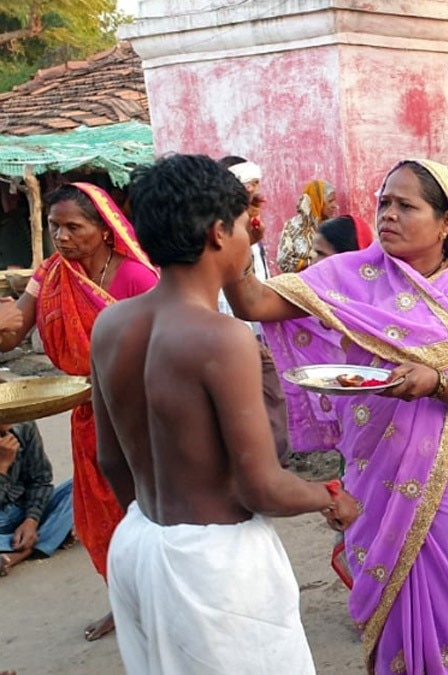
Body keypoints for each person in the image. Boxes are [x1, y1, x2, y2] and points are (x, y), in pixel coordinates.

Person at [224, 157, 448, 674]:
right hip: (372, 468)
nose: (389, 215)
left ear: (447, 222)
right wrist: (241, 236)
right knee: (388, 607)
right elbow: (251, 302)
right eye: (384, 202)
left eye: (407, 205)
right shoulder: (350, 275)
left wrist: (438, 383)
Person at [90, 154, 358, 674]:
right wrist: (330, 497)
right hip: (214, 565)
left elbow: (111, 459)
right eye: (242, 225)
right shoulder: (221, 337)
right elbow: (261, 487)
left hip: (139, 541)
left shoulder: (111, 325)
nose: (247, 237)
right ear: (218, 232)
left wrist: (159, 526)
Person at [0, 182, 158, 641]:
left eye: (74, 227)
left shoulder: (137, 277)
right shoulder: (51, 274)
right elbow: (13, 332)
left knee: (149, 510)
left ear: (105, 230)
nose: (62, 237)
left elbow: (162, 346)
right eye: (55, 227)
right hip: (89, 417)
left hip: (141, 416)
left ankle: (161, 599)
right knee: (102, 517)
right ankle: (125, 604)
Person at [216, 156, 292, 466]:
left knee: (268, 391)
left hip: (253, 319)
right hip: (234, 322)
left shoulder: (250, 228)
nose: (256, 192)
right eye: (249, 185)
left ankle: (272, 454)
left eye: (257, 184)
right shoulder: (232, 232)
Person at [0, 422, 73, 576]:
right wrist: (2, 466)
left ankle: (22, 551)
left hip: (24, 508)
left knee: (82, 488)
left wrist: (31, 520)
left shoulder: (24, 425)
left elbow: (41, 480)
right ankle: (50, 536)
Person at [278, 179, 338, 273]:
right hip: (302, 284)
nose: (335, 206)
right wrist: (311, 262)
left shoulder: (334, 226)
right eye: (330, 201)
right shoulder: (293, 226)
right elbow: (284, 262)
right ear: (317, 202)